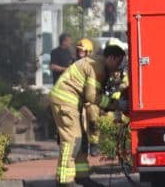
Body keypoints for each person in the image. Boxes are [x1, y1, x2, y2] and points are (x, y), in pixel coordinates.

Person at [49, 42, 125, 187]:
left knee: (82, 141)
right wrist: (115, 104)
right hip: (65, 101)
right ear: (112, 58)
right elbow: (91, 96)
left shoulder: (97, 64)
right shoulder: (98, 68)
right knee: (72, 141)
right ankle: (64, 181)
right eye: (119, 62)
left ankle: (82, 176)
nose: (118, 66)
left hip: (71, 102)